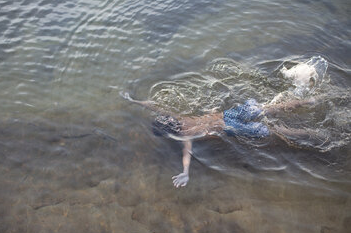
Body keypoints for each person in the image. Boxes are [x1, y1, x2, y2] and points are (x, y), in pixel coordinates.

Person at [120, 91, 318, 188]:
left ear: (167, 132)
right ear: (169, 121)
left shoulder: (185, 135)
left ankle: (309, 133)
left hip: (231, 127)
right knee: (269, 108)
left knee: (273, 131)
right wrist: (134, 101)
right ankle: (309, 101)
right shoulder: (180, 118)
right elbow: (155, 106)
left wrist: (186, 172)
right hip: (227, 114)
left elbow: (186, 153)